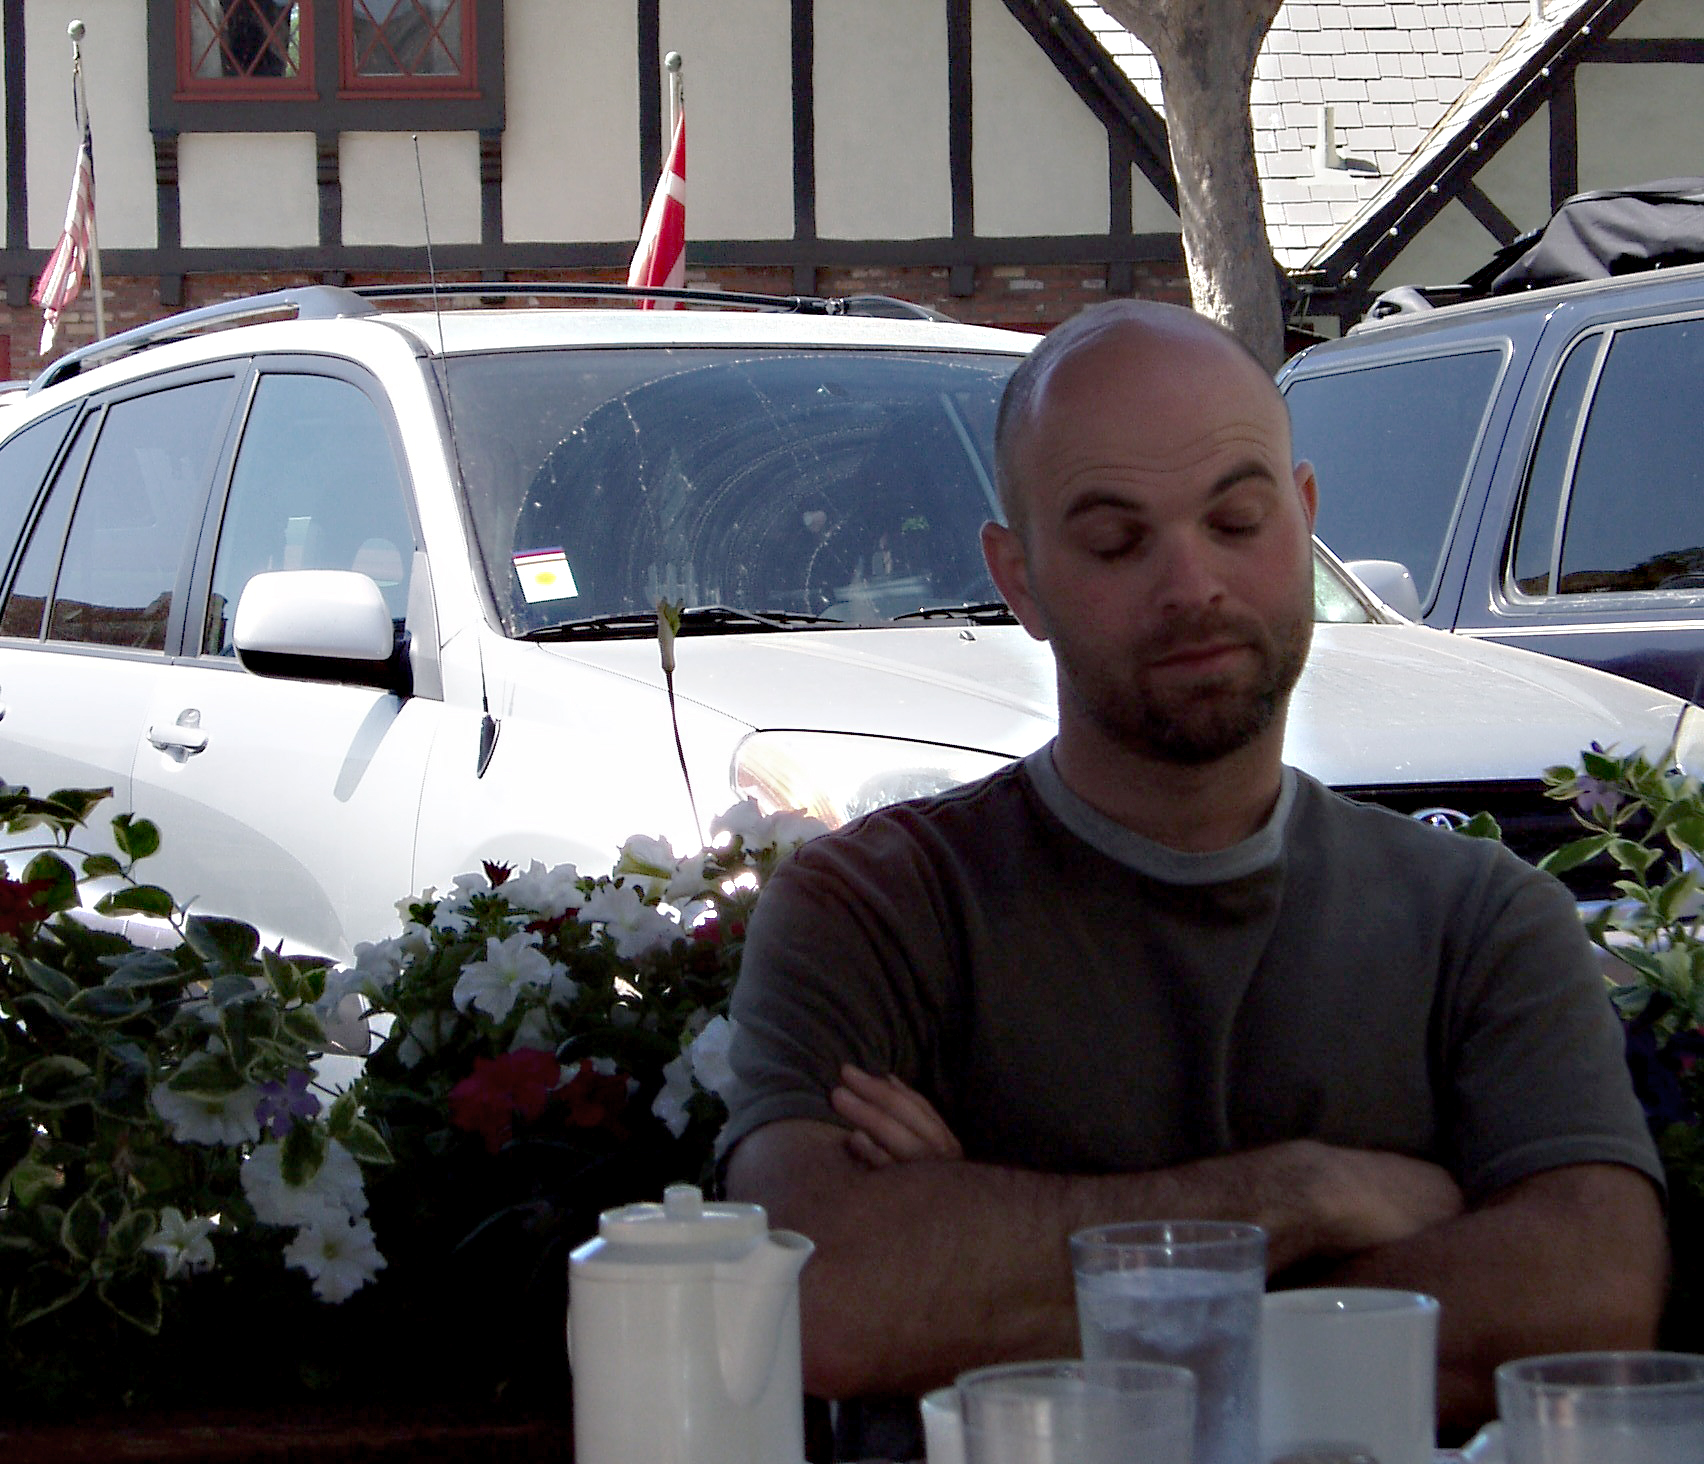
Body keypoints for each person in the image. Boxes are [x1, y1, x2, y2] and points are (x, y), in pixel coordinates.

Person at [717, 299, 1667, 1450]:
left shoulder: (1477, 918)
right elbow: (836, 1297)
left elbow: (1589, 1296)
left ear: (1305, 521)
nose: (1192, 586)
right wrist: (1307, 1199)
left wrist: (1003, 1259)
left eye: (1239, 520)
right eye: (1118, 541)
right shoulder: (875, 911)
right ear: (1019, 578)